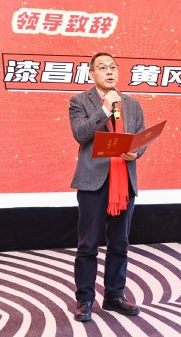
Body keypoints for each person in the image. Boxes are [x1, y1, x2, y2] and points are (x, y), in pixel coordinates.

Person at [68, 52, 146, 322]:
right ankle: (84, 299)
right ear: (92, 74)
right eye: (102, 68)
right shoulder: (79, 101)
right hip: (94, 182)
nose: (110, 72)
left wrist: (136, 152)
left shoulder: (132, 103)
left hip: (124, 181)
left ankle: (114, 296)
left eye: (113, 67)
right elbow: (81, 134)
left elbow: (141, 138)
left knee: (120, 243)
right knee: (88, 244)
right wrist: (104, 109)